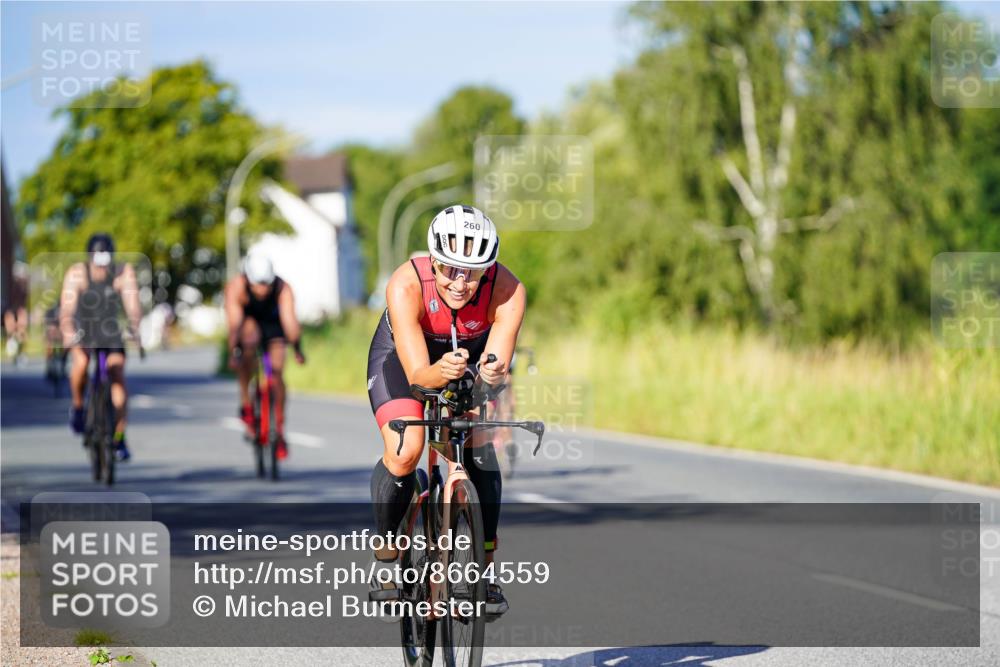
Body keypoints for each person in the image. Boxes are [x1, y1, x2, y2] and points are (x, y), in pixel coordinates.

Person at [366, 204, 526, 617]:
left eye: (472, 272)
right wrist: (438, 372)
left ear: (487, 270)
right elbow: (419, 376)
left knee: (478, 448)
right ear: (433, 261)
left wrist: (489, 376)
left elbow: (497, 365)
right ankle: (386, 555)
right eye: (450, 269)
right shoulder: (406, 284)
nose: (460, 282)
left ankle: (485, 574)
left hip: (466, 361)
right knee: (407, 450)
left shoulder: (508, 290)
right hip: (404, 362)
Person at [60, 233, 143, 461]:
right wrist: (69, 334)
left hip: (110, 329)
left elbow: (133, 306)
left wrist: (134, 328)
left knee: (117, 373)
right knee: (82, 362)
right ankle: (78, 407)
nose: (101, 270)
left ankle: (119, 436)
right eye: (97, 264)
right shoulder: (77, 274)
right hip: (84, 328)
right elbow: (67, 311)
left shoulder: (122, 273)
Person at [224, 251, 305, 460]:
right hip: (248, 321)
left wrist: (296, 347)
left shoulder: (282, 288)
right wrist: (234, 351)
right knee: (248, 343)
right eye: (258, 285)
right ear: (249, 279)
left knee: (277, 372)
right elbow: (234, 323)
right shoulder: (237, 287)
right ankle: (247, 404)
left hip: (273, 323)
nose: (262, 289)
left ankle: (278, 428)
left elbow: (290, 321)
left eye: (266, 285)